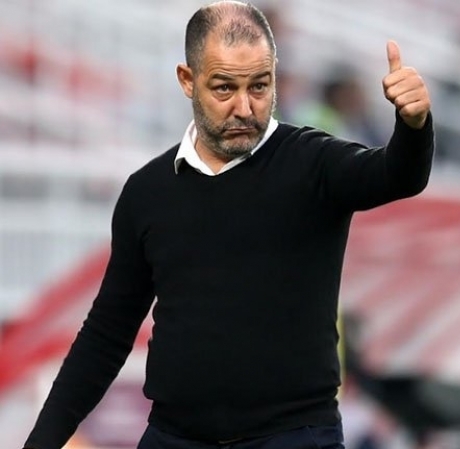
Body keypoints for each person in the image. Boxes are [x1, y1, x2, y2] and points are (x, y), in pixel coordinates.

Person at [22, 1, 434, 449]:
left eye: (259, 86)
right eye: (224, 88)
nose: (244, 107)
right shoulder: (148, 192)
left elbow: (397, 175)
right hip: (174, 438)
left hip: (293, 437)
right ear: (187, 80)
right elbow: (107, 333)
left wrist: (413, 125)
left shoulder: (314, 162)